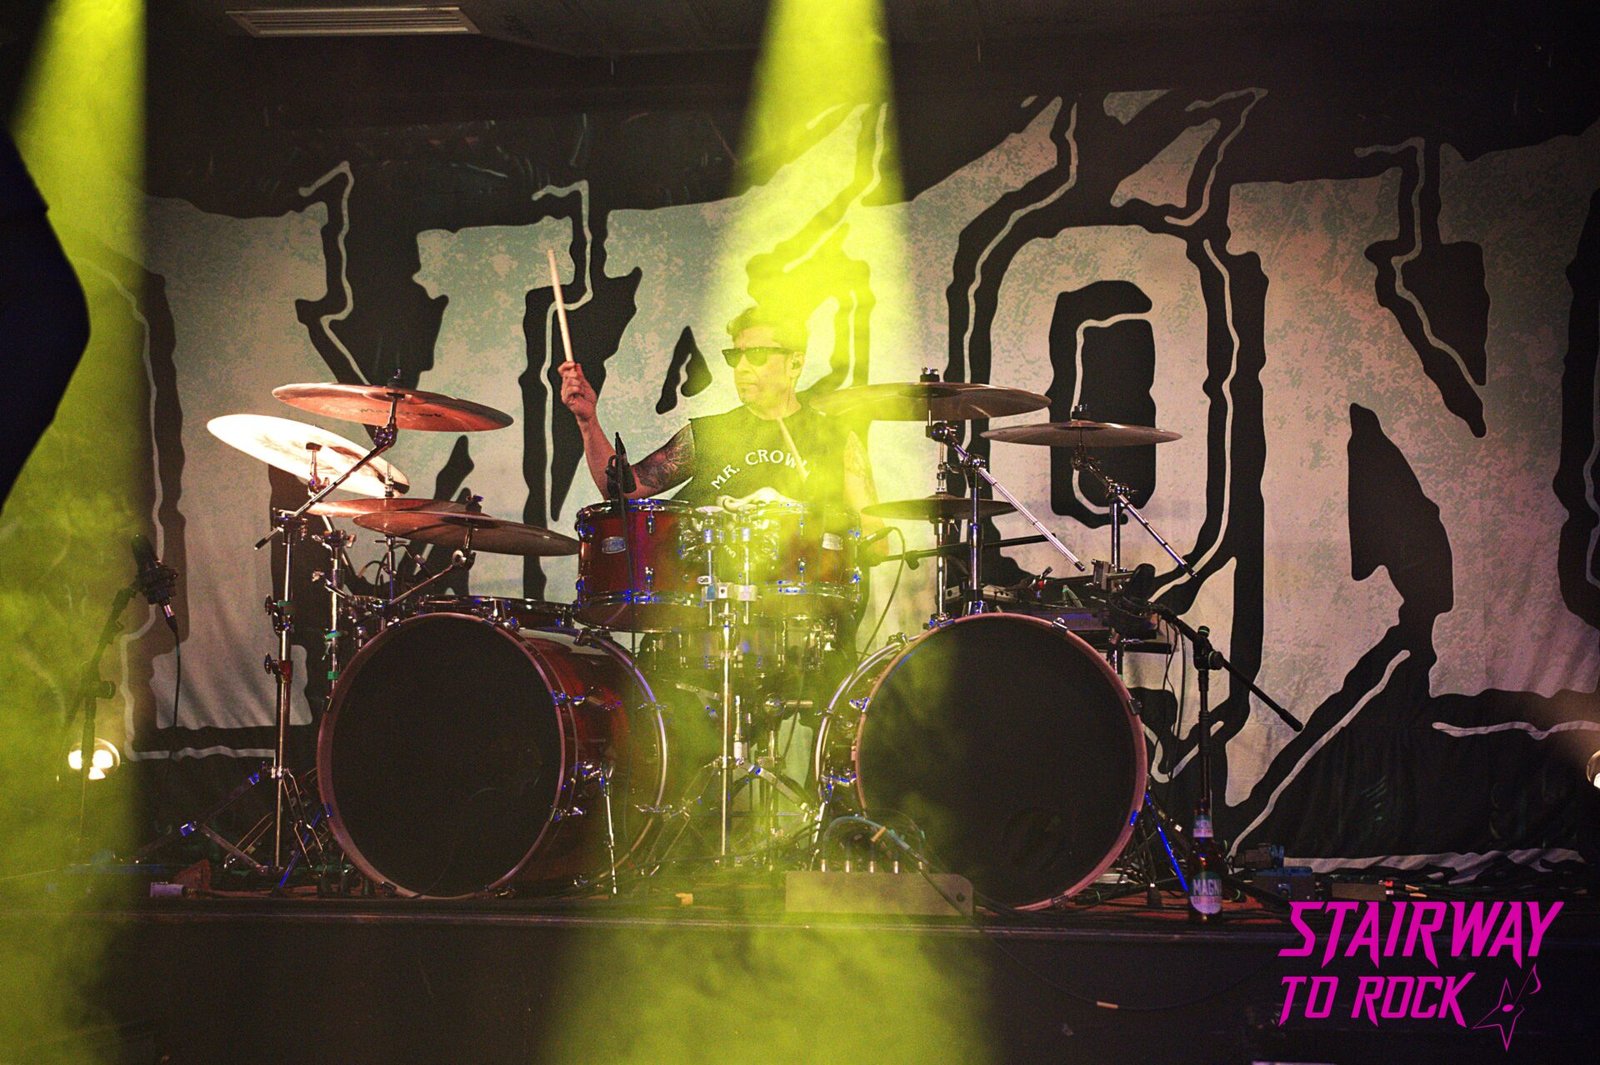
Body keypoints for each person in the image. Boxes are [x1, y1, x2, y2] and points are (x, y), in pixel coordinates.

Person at [558, 306, 886, 556]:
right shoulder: (710, 433)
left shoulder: (835, 439)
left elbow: (877, 542)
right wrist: (588, 422)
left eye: (756, 355)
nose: (741, 368)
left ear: (795, 364)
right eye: (735, 356)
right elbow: (622, 491)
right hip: (711, 605)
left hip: (799, 608)